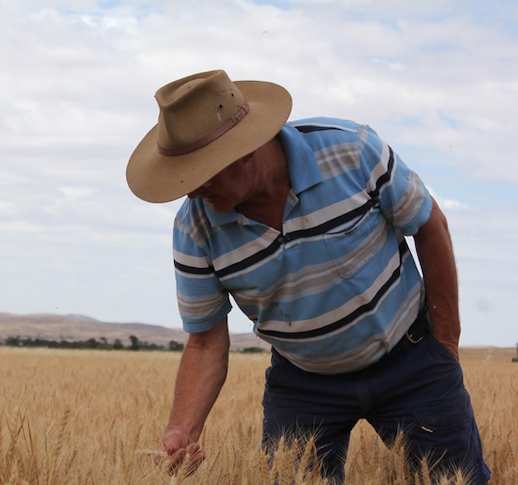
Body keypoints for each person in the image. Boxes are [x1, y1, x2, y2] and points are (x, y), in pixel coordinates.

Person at [125, 69, 490, 484]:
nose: (190, 191)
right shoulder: (194, 229)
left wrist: (445, 345)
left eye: (200, 174)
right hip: (303, 384)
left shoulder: (351, 150)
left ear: (244, 150)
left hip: (411, 360)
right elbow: (206, 341)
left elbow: (429, 226)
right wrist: (182, 430)